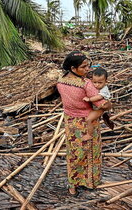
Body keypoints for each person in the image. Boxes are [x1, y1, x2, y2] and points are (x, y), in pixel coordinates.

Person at [56, 51, 112, 196]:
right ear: (73, 68)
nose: (88, 70)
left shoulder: (60, 81)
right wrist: (108, 105)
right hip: (88, 123)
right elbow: (103, 104)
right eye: (84, 67)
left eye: (88, 66)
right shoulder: (86, 84)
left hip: (70, 123)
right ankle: (90, 182)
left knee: (74, 153)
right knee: (91, 153)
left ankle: (72, 184)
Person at [83, 67, 114, 140]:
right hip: (95, 107)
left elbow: (99, 97)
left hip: (100, 109)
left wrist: (89, 99)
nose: (96, 85)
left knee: (89, 120)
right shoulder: (93, 85)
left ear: (106, 82)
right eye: (95, 82)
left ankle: (89, 134)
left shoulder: (104, 89)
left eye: (100, 83)